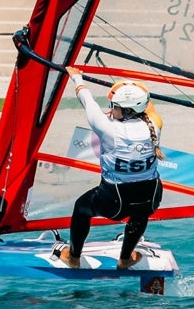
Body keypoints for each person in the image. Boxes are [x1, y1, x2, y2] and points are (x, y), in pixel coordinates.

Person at [58, 67, 163, 271]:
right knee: (140, 214)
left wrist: (76, 76)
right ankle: (125, 259)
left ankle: (73, 257)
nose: (110, 109)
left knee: (81, 208)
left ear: (126, 110)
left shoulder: (107, 129)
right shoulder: (155, 123)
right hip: (151, 199)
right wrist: (131, 90)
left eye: (113, 106)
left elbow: (86, 99)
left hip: (114, 203)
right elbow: (149, 105)